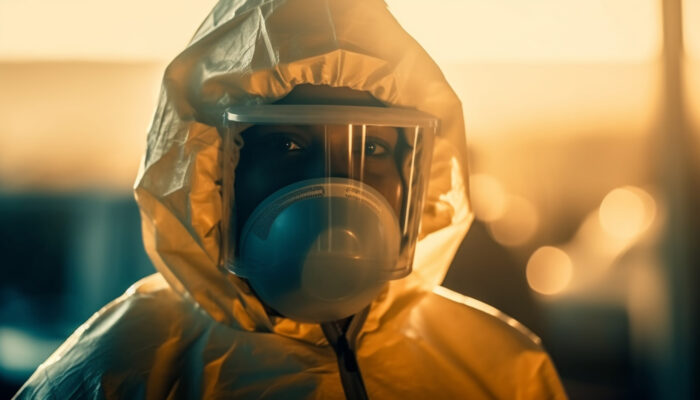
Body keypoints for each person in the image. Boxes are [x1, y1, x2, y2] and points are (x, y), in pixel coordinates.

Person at [15, 0, 567, 398]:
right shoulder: (117, 373)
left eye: (373, 145)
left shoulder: (498, 368)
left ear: (418, 173)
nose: (336, 186)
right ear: (209, 171)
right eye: (286, 143)